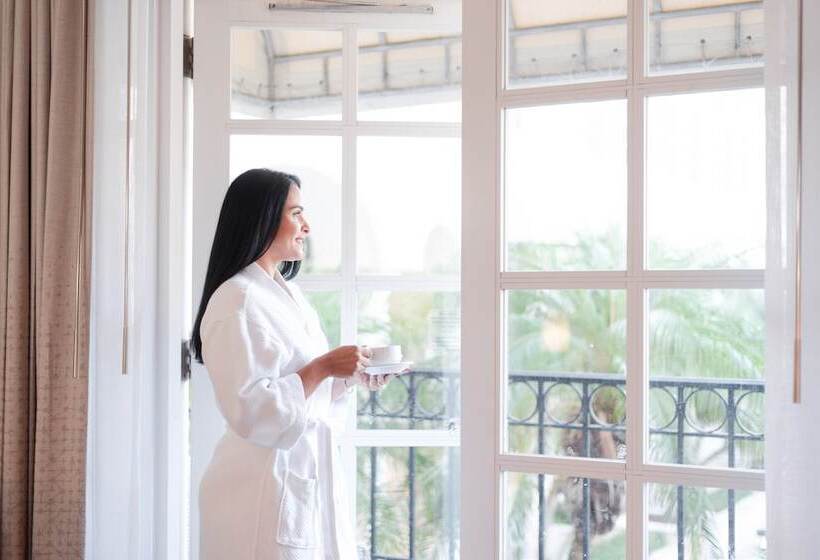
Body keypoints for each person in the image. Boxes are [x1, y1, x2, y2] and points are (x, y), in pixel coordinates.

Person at [191, 168, 392, 559]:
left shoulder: (287, 295)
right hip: (257, 491)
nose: (307, 226)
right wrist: (322, 368)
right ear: (262, 218)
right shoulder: (236, 299)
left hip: (295, 481)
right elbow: (249, 409)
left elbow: (303, 390)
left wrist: (348, 376)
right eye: (296, 213)